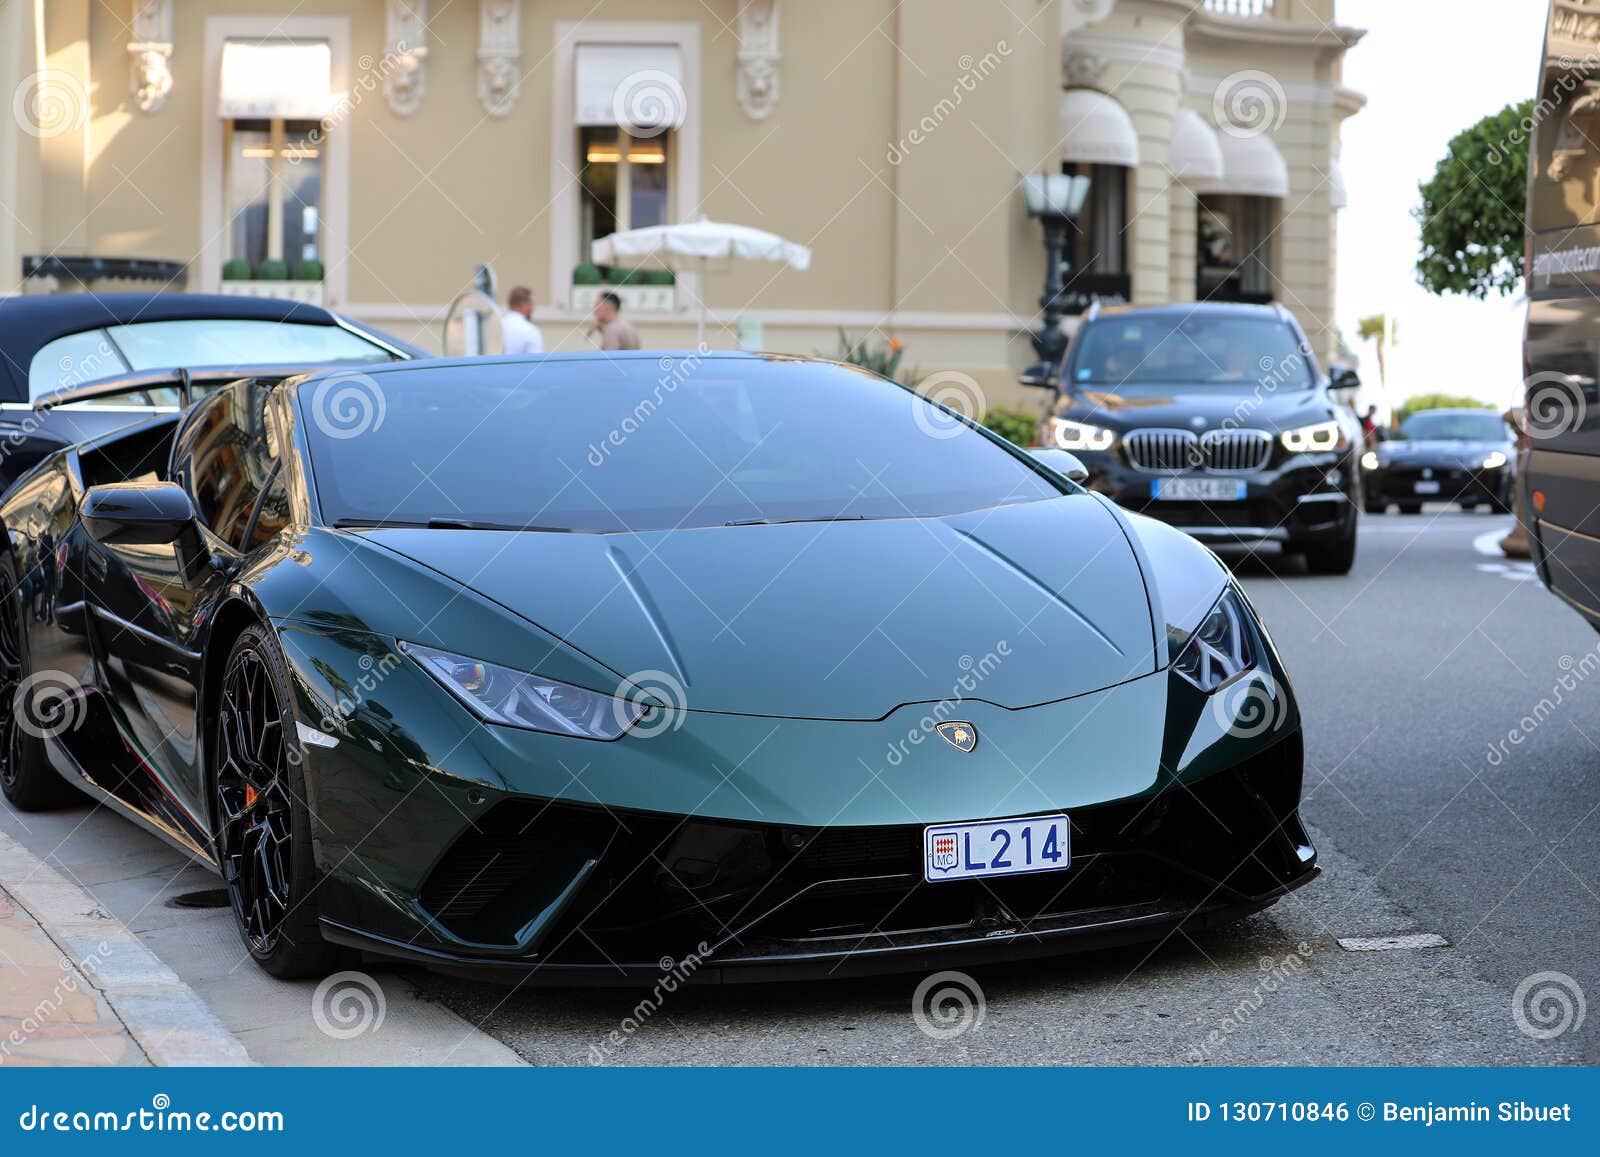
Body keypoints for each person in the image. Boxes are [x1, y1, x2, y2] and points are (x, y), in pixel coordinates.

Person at [501, 286, 543, 355]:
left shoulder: (496, 327)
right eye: (531, 304)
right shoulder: (530, 330)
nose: (533, 309)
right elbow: (536, 361)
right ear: (523, 304)